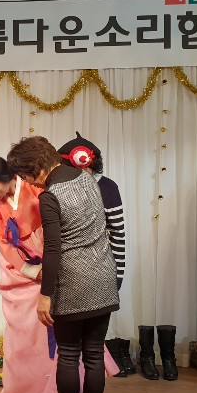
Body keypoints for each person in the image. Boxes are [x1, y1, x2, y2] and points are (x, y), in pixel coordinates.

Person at [7, 136, 119, 393]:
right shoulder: (87, 178)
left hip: (73, 284)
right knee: (94, 356)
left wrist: (45, 295)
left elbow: (54, 249)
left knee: (68, 356)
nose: (28, 182)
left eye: (26, 176)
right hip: (104, 278)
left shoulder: (50, 196)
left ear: (36, 168)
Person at [58, 132, 146, 380]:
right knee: (73, 350)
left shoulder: (106, 187)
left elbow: (117, 235)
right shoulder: (59, 188)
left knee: (86, 350)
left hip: (94, 274)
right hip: (70, 275)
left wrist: (117, 277)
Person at [0, 155, 59, 393]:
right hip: (18, 271)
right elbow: (3, 244)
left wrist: (48, 268)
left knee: (49, 334)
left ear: (9, 176)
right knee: (21, 340)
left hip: (48, 262)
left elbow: (53, 229)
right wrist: (30, 270)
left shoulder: (36, 189)